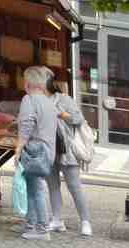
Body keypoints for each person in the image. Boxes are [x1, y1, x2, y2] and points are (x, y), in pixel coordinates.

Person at [14, 65, 58, 241]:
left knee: (35, 189)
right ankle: (32, 225)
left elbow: (26, 125)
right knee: (35, 187)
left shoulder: (29, 100)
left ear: (27, 83)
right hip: (47, 151)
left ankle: (40, 228)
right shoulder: (49, 102)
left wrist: (18, 149)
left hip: (35, 151)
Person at [47, 76, 92, 237]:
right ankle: (57, 220)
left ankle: (85, 221)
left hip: (66, 150)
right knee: (53, 186)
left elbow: (78, 119)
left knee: (74, 187)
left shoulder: (64, 99)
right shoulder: (36, 100)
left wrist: (61, 114)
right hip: (49, 149)